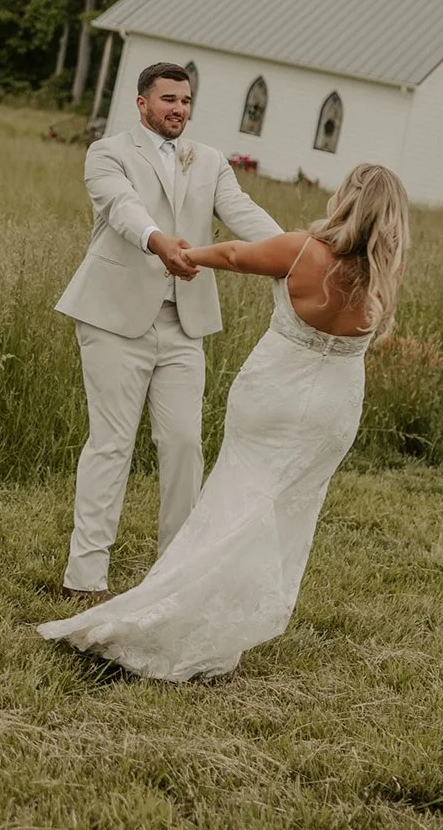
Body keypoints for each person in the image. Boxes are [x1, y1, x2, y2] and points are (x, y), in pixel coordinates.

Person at [38, 162, 410, 681]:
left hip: (274, 395)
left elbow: (235, 253)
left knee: (233, 502)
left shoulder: (303, 249)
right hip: (334, 410)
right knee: (279, 516)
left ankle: (175, 613)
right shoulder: (385, 272)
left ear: (347, 197)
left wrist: (186, 254)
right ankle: (226, 624)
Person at [56, 61, 281, 601]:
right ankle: (84, 580)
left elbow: (242, 213)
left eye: (185, 100)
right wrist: (160, 242)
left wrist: (300, 252)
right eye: (168, 100)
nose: (178, 109)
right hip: (114, 320)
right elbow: (123, 209)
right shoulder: (107, 153)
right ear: (142, 104)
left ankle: (172, 575)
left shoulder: (209, 160)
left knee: (183, 444)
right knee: (111, 445)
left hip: (185, 324)